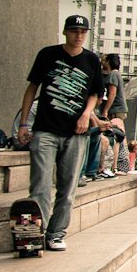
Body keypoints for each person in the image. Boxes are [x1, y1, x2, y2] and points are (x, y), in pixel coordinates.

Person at [16, 14, 104, 251]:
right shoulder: (48, 54)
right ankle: (37, 231)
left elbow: (96, 93)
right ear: (65, 32)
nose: (78, 35)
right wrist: (23, 124)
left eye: (83, 32)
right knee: (40, 185)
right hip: (45, 129)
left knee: (68, 188)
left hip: (76, 133)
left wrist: (87, 114)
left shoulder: (91, 60)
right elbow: (32, 88)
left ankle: (56, 233)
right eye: (74, 31)